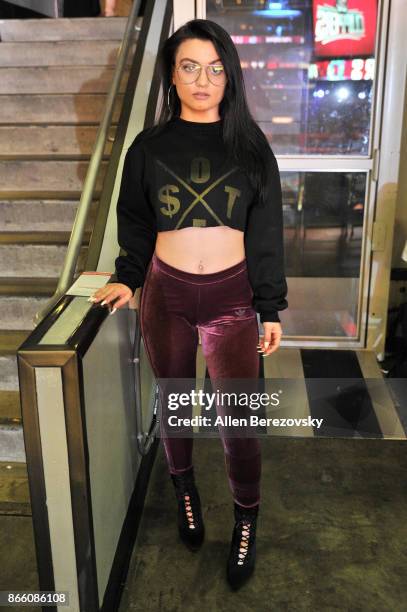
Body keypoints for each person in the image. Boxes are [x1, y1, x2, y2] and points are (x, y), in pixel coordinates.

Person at [89, 18, 288, 590]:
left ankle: (246, 522)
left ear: (231, 77)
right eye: (190, 66)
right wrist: (129, 277)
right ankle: (185, 491)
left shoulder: (250, 146)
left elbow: (266, 232)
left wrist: (268, 307)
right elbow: (135, 220)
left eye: (216, 68)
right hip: (167, 294)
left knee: (239, 424)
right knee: (175, 407)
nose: (203, 79)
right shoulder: (148, 147)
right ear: (172, 76)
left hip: (233, 299)